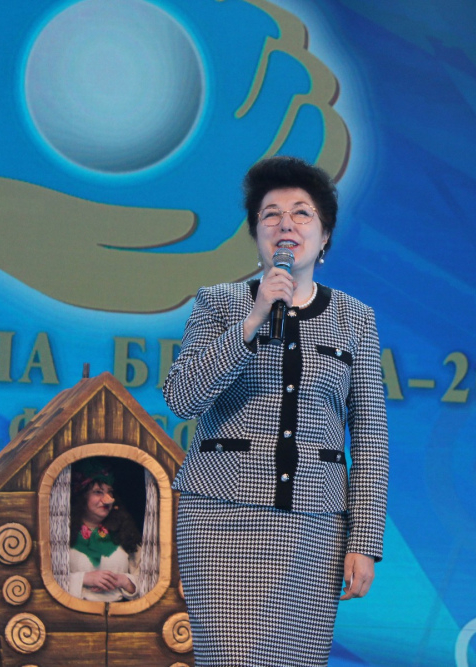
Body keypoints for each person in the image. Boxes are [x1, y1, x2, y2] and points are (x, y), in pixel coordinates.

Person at [164, 156, 389, 667]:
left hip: (315, 528)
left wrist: (364, 540)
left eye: (302, 213)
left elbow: (371, 438)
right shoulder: (219, 304)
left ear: (324, 235)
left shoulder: (355, 318)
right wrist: (254, 318)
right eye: (271, 214)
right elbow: (182, 398)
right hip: (221, 520)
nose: (286, 224)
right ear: (256, 234)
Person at [67, 458, 141, 602]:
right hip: (73, 612)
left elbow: (147, 579)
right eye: (98, 492)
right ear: (82, 496)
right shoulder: (63, 535)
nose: (108, 499)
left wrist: (124, 581)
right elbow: (47, 579)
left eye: (110, 492)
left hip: (121, 611)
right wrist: (83, 578)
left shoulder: (126, 534)